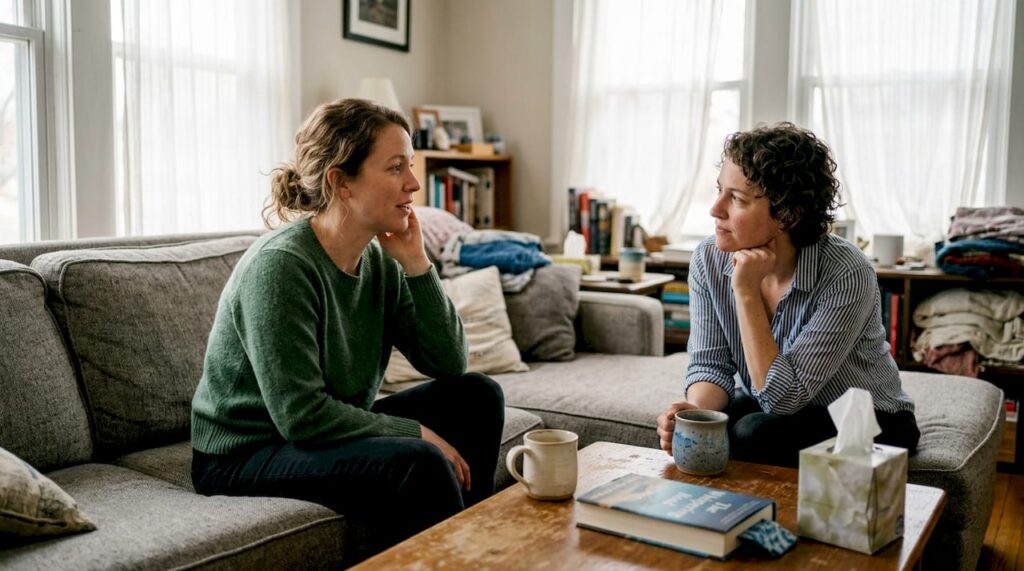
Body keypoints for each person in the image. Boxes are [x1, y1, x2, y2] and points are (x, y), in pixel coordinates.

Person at [190, 98, 505, 557]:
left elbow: (450, 363)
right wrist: (414, 432)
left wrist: (418, 266)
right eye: (396, 168)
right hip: (243, 453)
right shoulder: (281, 267)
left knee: (476, 395)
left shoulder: (381, 260)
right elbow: (302, 416)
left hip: (312, 430)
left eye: (411, 166)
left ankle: (459, 547)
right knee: (418, 461)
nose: (414, 184)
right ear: (342, 182)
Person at [656, 123, 919, 468]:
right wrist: (698, 415)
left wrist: (746, 291)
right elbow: (710, 362)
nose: (715, 209)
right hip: (775, 402)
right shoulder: (709, 258)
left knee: (754, 433)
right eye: (720, 190)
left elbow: (783, 397)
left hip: (869, 417)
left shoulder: (847, 272)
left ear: (788, 214)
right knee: (704, 426)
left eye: (736, 199)